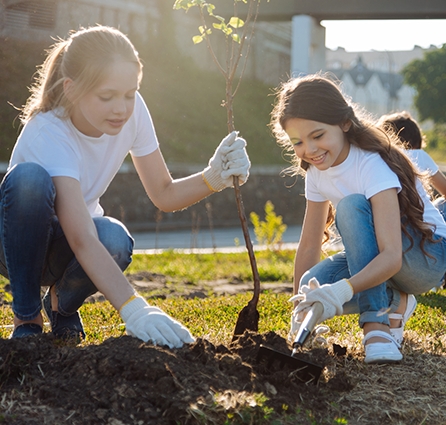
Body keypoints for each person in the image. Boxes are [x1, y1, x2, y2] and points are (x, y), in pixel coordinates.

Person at [0, 25, 251, 347]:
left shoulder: (132, 113)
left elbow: (164, 194)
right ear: (72, 89)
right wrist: (134, 308)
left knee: (115, 238)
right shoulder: (48, 131)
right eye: (107, 97)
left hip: (68, 247)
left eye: (130, 94)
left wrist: (214, 177)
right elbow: (81, 238)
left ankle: (61, 306)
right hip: (14, 247)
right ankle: (26, 315)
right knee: (29, 180)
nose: (121, 107)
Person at [269, 74, 446, 364]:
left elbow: (391, 257)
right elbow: (309, 247)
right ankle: (397, 301)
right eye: (298, 141)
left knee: (351, 207)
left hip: (427, 257)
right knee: (311, 283)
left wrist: (342, 290)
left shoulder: (370, 163)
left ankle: (376, 327)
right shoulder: (315, 173)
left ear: (345, 124)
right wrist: (300, 310)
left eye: (318, 136)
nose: (309, 150)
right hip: (386, 258)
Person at [378, 111, 446, 221]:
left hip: (389, 222)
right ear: (415, 143)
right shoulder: (419, 155)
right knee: (442, 204)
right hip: (424, 227)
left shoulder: (378, 158)